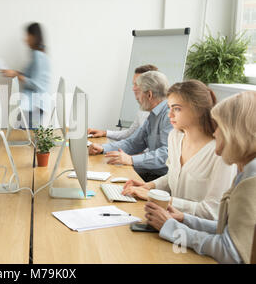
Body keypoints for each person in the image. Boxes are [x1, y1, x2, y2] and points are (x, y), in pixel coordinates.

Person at [143, 91, 256, 264]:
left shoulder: (250, 183)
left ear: (237, 132)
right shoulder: (246, 172)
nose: (215, 133)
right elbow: (227, 230)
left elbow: (233, 252)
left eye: (219, 127)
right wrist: (185, 219)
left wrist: (173, 229)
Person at [122, 80, 236, 219]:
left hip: (196, 232)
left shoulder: (221, 152)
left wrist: (158, 198)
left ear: (198, 109)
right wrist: (150, 186)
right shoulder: (175, 137)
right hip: (168, 221)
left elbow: (213, 211)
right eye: (169, 108)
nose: (170, 115)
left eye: (176, 108)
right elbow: (174, 176)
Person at [89, 71, 172, 181]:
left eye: (139, 93)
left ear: (149, 95)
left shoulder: (169, 115)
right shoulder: (153, 114)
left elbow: (167, 154)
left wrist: (131, 160)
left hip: (161, 178)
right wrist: (103, 148)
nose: (137, 98)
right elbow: (133, 143)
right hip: (150, 172)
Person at [0, 22, 51, 129]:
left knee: (28, 137)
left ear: (33, 36)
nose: (25, 39)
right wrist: (14, 73)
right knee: (26, 136)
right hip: (33, 104)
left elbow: (36, 84)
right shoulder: (37, 54)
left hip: (35, 104)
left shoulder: (38, 55)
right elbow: (31, 76)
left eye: (27, 35)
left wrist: (15, 74)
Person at [88, 64, 158, 140]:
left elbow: (161, 150)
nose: (133, 88)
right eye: (133, 84)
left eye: (137, 84)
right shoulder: (143, 108)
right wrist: (105, 133)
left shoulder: (166, 114)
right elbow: (130, 133)